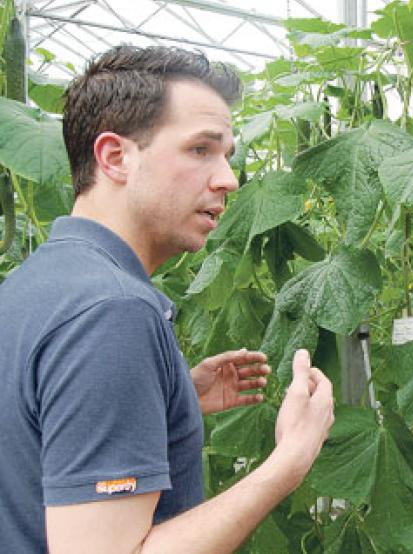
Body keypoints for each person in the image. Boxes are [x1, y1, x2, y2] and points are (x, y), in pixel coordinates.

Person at [0, 46, 335, 552]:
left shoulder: (35, 282)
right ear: (115, 158)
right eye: (201, 149)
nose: (228, 179)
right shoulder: (111, 312)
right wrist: (290, 459)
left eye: (228, 155)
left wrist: (165, 398)